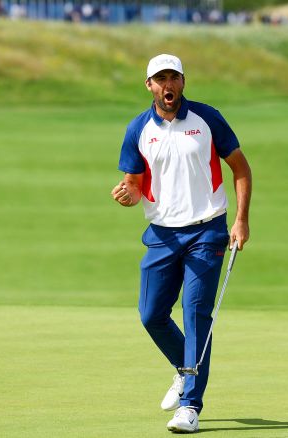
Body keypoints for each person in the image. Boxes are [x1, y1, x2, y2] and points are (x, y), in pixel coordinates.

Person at [111, 54, 252, 434]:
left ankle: (191, 405)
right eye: (160, 79)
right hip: (161, 235)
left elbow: (240, 167)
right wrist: (129, 194)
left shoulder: (207, 119)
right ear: (150, 86)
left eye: (174, 77)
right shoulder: (138, 128)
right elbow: (136, 184)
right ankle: (182, 366)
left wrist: (240, 220)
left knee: (195, 314)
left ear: (183, 82)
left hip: (207, 232)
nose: (167, 85)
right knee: (151, 314)